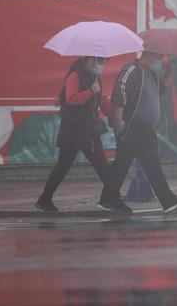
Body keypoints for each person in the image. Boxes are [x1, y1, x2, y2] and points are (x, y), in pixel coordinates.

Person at [36, 56, 132, 214]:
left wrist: (117, 116)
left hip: (88, 131)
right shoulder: (76, 75)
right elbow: (71, 99)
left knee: (102, 166)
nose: (101, 65)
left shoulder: (95, 78)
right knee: (63, 167)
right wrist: (90, 91)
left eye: (104, 62)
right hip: (73, 131)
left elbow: (99, 102)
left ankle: (113, 199)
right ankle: (45, 199)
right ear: (89, 60)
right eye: (99, 61)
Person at [99, 52, 177, 213]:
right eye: (155, 58)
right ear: (147, 56)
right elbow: (120, 92)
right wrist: (118, 118)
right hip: (131, 126)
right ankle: (108, 200)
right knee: (122, 164)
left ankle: (168, 200)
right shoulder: (131, 70)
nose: (157, 62)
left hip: (147, 129)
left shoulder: (151, 74)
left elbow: (160, 91)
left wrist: (169, 74)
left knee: (153, 165)